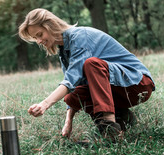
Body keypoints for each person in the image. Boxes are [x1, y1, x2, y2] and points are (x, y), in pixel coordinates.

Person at [18, 8, 155, 141]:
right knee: (71, 97)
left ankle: (109, 127)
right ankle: (122, 117)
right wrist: (68, 122)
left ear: (50, 26)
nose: (39, 41)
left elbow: (71, 79)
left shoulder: (80, 36)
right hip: (119, 89)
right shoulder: (64, 52)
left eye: (40, 35)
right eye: (35, 38)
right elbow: (72, 85)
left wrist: (45, 104)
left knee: (92, 64)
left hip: (138, 84)